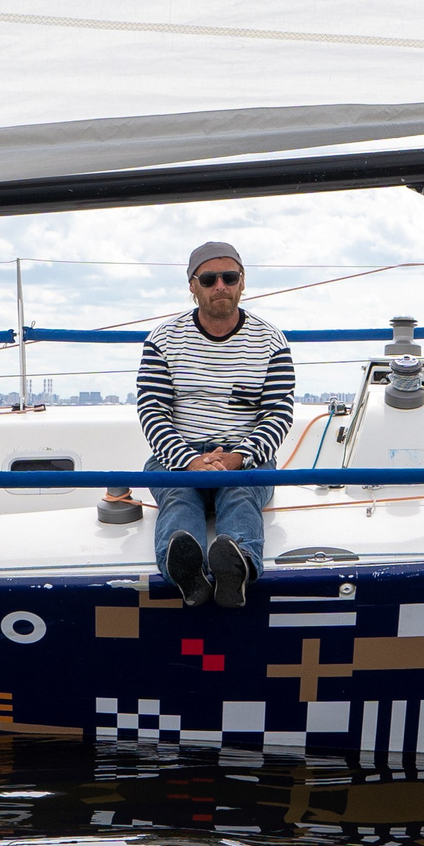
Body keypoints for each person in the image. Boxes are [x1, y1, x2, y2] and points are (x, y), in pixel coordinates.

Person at [136, 240, 294, 610]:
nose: (220, 285)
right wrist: (189, 460)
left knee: (240, 494)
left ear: (242, 282)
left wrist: (240, 456)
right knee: (178, 495)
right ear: (193, 286)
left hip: (243, 454)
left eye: (229, 277)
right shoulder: (163, 340)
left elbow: (278, 413)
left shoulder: (271, 341)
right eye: (209, 279)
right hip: (178, 455)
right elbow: (153, 411)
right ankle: (186, 571)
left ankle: (235, 565)